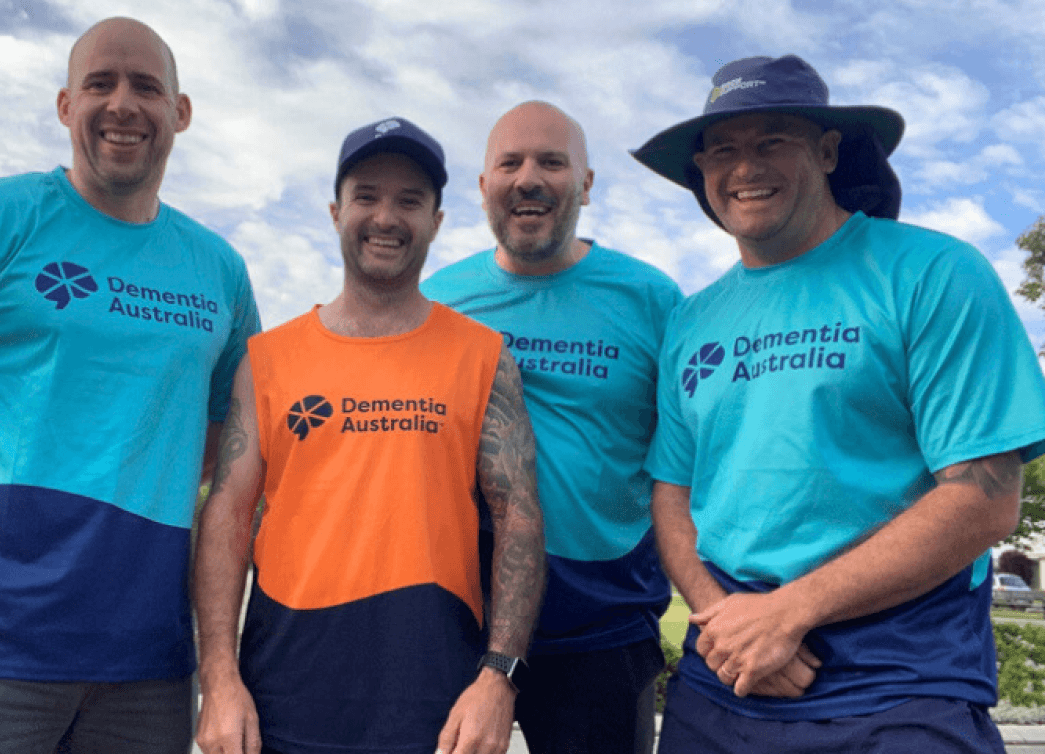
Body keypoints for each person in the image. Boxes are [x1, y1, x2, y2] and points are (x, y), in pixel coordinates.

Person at [0, 17, 259, 753]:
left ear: (182, 111)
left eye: (146, 87)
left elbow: (229, 434)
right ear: (66, 106)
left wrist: (142, 471)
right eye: (99, 84)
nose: (123, 104)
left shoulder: (219, 270)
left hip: (147, 660)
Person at [633, 54, 1045, 753]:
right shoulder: (693, 320)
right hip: (726, 685)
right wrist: (725, 622)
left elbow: (983, 499)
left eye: (772, 142)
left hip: (899, 685)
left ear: (827, 150)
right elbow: (672, 492)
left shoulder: (932, 274)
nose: (745, 168)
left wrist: (789, 614)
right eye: (723, 150)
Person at [192, 116, 547, 754]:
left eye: (409, 200)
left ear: (437, 221)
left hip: (434, 699)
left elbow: (518, 518)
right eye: (367, 197)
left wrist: (500, 678)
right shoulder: (268, 359)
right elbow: (228, 516)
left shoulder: (483, 358)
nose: (386, 217)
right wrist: (219, 679)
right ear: (335, 212)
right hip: (285, 691)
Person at [422, 101, 683, 754]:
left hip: (603, 626)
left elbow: (691, 460)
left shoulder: (651, 300)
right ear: (484, 188)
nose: (528, 178)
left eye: (552, 162)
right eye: (509, 163)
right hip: (457, 625)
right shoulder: (439, 300)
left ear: (587, 185)